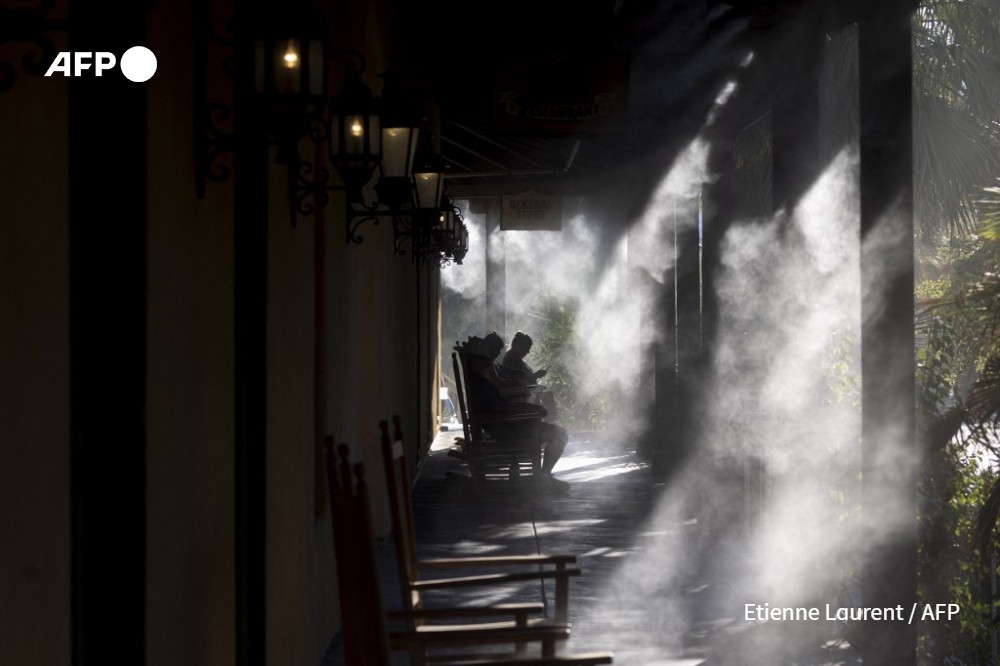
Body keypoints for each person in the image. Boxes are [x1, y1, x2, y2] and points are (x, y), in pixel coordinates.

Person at [462, 338, 569, 491]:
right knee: (559, 434)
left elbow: (501, 405)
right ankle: (543, 477)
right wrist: (531, 409)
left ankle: (542, 477)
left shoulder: (479, 380)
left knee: (553, 428)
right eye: (484, 358)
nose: (488, 361)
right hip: (507, 430)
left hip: (504, 426)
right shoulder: (480, 384)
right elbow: (500, 409)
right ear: (475, 360)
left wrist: (528, 408)